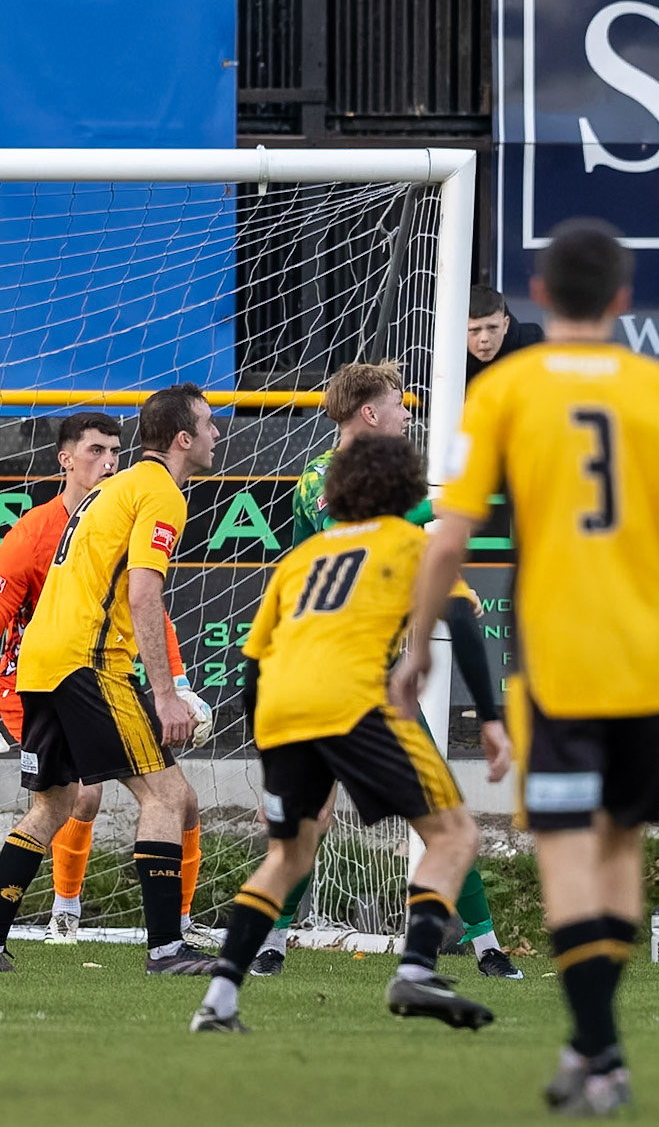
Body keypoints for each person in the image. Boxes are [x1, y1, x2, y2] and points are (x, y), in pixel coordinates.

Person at [389, 219, 659, 1116]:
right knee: (620, 848)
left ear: (539, 297)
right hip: (648, 660)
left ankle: (598, 1049)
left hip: (557, 662)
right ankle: (595, 1051)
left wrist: (416, 645)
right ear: (622, 299)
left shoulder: (507, 389)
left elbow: (449, 536)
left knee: (566, 853)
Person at [190, 434, 497, 1033]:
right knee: (454, 834)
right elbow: (461, 619)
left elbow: (253, 666)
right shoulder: (411, 542)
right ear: (408, 488)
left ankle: (219, 1000)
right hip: (355, 701)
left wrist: (268, 752)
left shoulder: (302, 558)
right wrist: (489, 718)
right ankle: (415, 971)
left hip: (281, 710)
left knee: (287, 856)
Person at [256, 360, 522, 979]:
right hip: (323, 674)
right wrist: (438, 508)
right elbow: (356, 535)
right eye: (400, 405)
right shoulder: (322, 476)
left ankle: (486, 946)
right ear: (370, 412)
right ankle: (271, 941)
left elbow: (401, 550)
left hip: (374, 675)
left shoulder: (388, 486)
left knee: (440, 807)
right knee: (314, 817)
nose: (407, 415)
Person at [0, 384, 220, 974]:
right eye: (208, 423)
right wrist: (166, 694)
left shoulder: (109, 490)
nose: (216, 433)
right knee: (167, 796)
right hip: (88, 661)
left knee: (53, 804)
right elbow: (145, 594)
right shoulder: (159, 492)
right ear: (183, 438)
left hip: (40, 663)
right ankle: (167, 948)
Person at [467, 284, 546, 384]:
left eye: (492, 328)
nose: (484, 338)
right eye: (475, 330)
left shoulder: (533, 347)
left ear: (505, 324)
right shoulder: (449, 356)